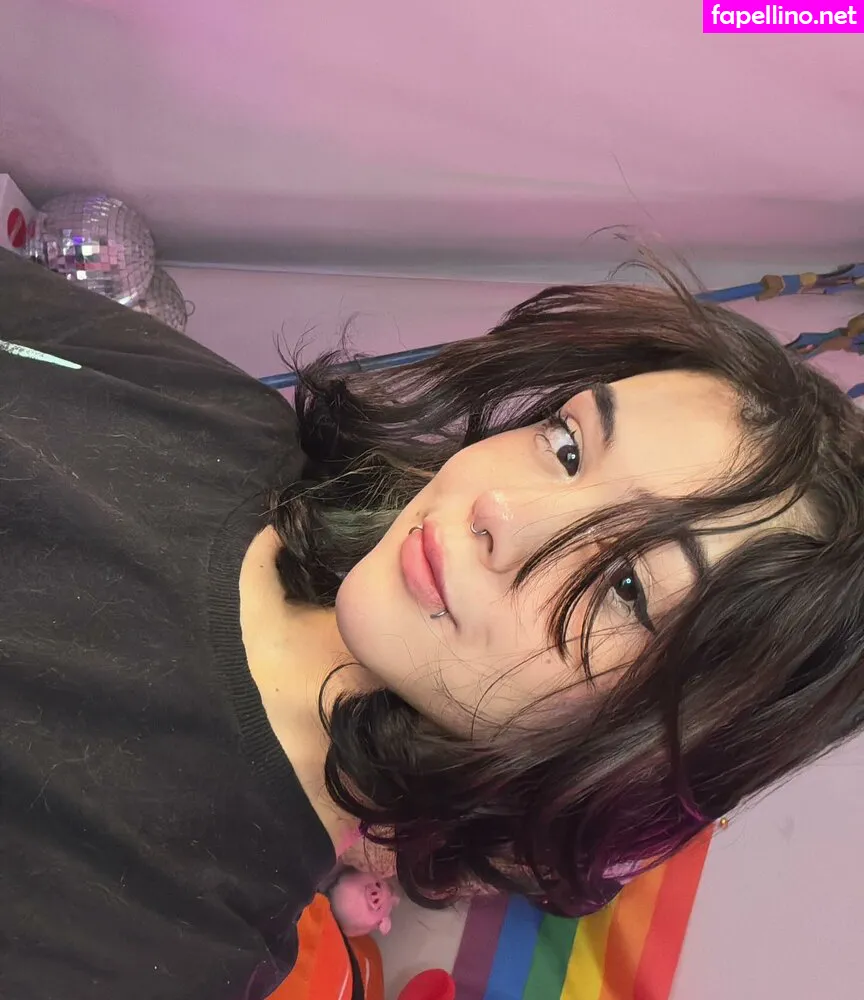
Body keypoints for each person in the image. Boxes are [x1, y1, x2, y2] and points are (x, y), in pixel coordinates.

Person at [1, 247, 862, 1000]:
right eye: (567, 448)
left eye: (626, 585)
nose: (503, 511)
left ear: (648, 746)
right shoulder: (241, 432)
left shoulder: (157, 937)